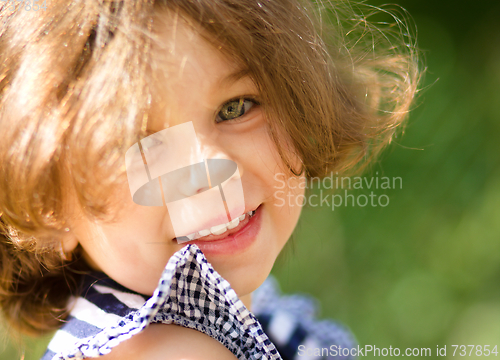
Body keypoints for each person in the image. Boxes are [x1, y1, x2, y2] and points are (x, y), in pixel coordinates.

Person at [0, 0, 420, 359]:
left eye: (236, 107)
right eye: (142, 144)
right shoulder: (171, 351)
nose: (213, 167)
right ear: (48, 202)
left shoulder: (240, 322)